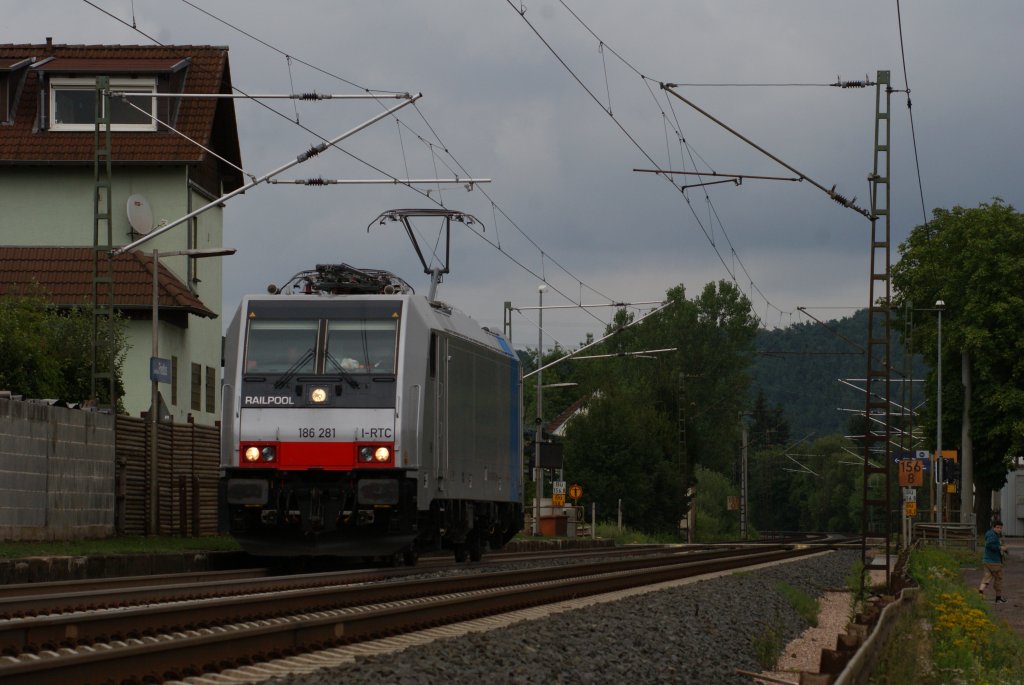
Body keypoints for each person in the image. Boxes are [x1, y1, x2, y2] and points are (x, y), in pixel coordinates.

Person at [978, 518, 1009, 603]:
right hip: (994, 562)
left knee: (987, 577)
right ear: (993, 527)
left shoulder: (990, 534)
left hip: (987, 561)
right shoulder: (993, 535)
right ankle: (998, 598)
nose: (999, 529)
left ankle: (980, 593)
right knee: (998, 579)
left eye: (1000, 528)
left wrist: (1004, 549)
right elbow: (989, 545)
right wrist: (1001, 548)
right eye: (998, 527)